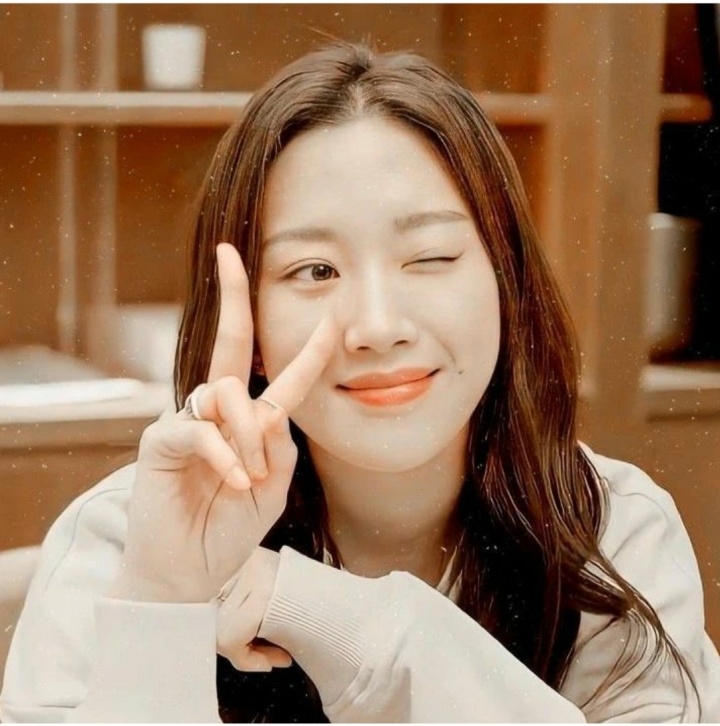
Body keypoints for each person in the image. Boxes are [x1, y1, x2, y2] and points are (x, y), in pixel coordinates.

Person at [2, 40, 720, 723]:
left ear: (508, 284)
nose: (377, 326)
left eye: (430, 256)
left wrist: (344, 621)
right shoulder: (130, 538)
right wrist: (162, 597)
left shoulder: (608, 534)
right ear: (249, 324)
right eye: (315, 270)